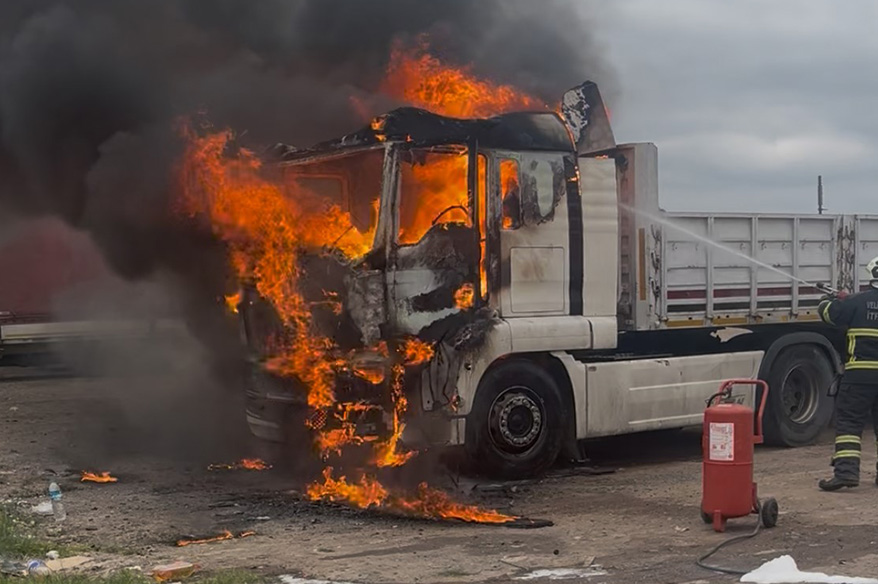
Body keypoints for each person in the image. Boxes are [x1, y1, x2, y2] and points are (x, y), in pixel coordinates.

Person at [818, 256, 878, 491]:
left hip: (859, 377)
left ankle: (846, 474)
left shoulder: (856, 302)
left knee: (850, 424)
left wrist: (831, 298)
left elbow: (826, 313)